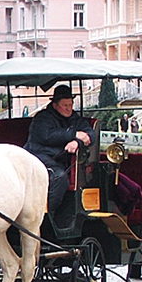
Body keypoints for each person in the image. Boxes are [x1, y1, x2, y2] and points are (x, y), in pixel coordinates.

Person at [23, 85, 97, 214]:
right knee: (59, 179)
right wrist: (73, 134)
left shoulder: (74, 118)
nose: (69, 108)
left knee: (62, 177)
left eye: (70, 104)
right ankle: (42, 215)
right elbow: (47, 136)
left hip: (60, 161)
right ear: (55, 105)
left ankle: (50, 214)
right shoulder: (43, 118)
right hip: (38, 156)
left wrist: (77, 142)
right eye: (65, 105)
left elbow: (89, 134)